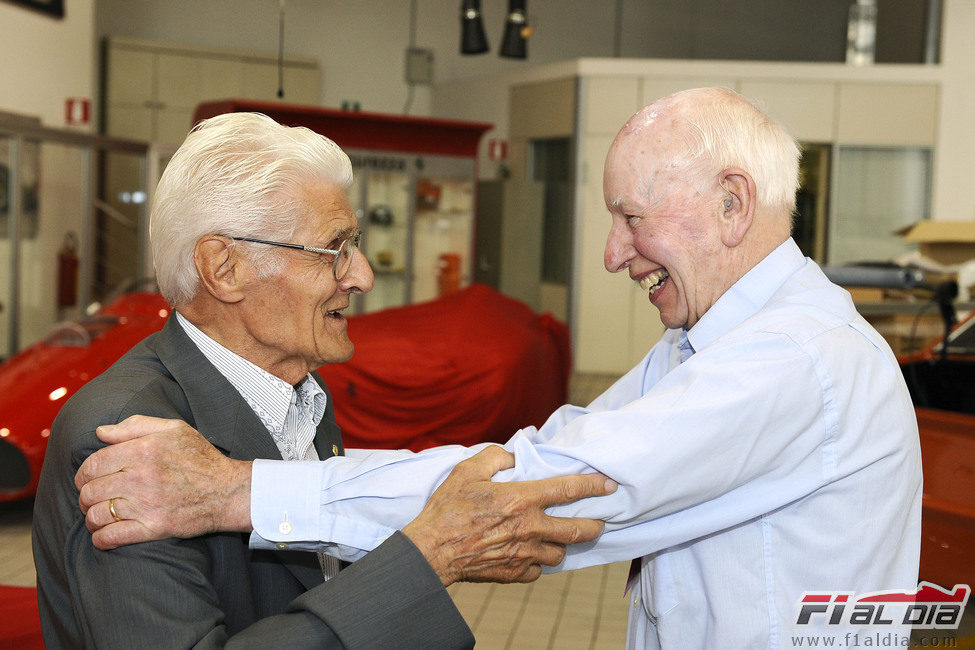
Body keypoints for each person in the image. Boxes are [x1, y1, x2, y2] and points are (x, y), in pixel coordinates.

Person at [75, 88, 922, 648]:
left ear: (732, 204)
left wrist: (236, 491)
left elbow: (561, 481)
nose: (611, 253)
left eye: (630, 217)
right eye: (334, 248)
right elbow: (537, 451)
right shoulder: (705, 344)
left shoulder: (796, 360)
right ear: (223, 267)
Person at [31, 112, 616, 649]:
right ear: (224, 268)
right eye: (334, 249)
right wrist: (426, 558)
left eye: (354, 245)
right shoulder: (125, 438)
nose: (361, 275)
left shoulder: (298, 395)